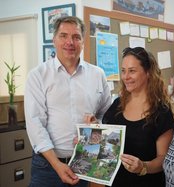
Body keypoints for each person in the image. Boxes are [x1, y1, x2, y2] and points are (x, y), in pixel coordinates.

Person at [24, 16, 111, 187]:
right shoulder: (38, 75)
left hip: (86, 161)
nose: (70, 42)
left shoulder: (97, 74)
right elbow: (35, 124)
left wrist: (96, 126)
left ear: (83, 41)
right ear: (54, 40)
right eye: (63, 36)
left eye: (76, 37)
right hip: (47, 166)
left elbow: (107, 116)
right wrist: (57, 165)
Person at [102, 47, 174, 187]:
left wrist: (143, 167)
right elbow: (106, 142)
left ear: (148, 73)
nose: (126, 77)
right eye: (123, 71)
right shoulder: (117, 105)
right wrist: (88, 133)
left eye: (132, 71)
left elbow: (163, 159)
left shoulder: (161, 112)